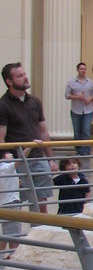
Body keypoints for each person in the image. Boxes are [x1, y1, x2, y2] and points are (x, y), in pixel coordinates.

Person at [0, 64, 56, 214]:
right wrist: (7, 160)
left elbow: (43, 131)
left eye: (25, 74)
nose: (25, 77)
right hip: (18, 162)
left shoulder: (35, 102)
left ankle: (40, 233)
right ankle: (16, 237)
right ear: (9, 81)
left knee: (41, 201)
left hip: (39, 158)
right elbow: (1, 137)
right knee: (15, 202)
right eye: (20, 75)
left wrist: (50, 159)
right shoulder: (3, 105)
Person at [65, 63, 93, 156]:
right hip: (76, 110)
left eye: (85, 69)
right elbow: (67, 95)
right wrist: (77, 97)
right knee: (77, 131)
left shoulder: (90, 82)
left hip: (88, 110)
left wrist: (90, 98)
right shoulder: (71, 82)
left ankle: (85, 150)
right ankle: (78, 148)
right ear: (78, 70)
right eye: (81, 69)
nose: (83, 71)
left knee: (86, 130)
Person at [0, 150, 21, 258]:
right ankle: (12, 257)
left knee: (8, 233)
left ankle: (11, 256)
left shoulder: (5, 169)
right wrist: (29, 147)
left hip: (6, 203)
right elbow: (21, 159)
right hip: (11, 203)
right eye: (8, 153)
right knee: (13, 235)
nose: (11, 154)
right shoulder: (6, 168)